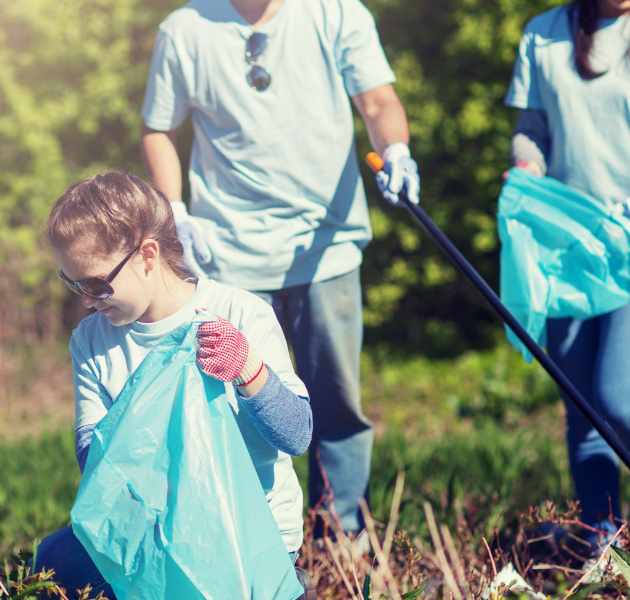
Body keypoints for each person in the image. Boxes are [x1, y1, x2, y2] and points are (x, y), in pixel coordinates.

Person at [139, 0, 420, 539]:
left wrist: (398, 149)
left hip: (326, 247)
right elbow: (158, 129)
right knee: (242, 408)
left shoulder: (336, 13)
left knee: (336, 405)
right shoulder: (185, 30)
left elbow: (379, 100)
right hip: (228, 255)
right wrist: (173, 209)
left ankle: (341, 544)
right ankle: (257, 542)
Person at [32, 172, 314, 596]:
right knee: (51, 560)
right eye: (71, 282)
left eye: (93, 283)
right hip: (152, 531)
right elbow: (94, 460)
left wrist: (249, 372)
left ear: (147, 255)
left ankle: (284, 582)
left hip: (249, 534)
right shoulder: (91, 341)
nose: (86, 299)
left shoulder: (239, 312)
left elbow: (297, 435)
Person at [504, 0, 630, 550]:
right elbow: (531, 129)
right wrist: (528, 167)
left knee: (620, 399)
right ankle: (603, 541)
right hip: (568, 250)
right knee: (584, 410)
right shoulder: (542, 35)